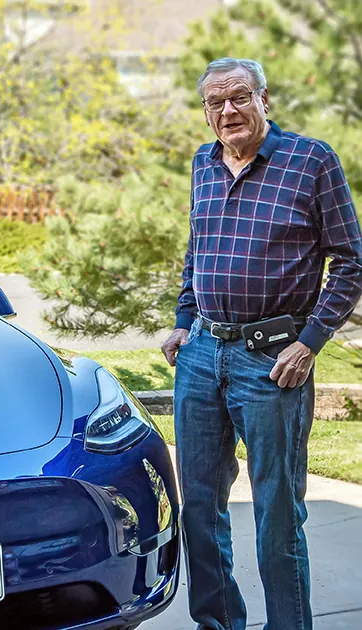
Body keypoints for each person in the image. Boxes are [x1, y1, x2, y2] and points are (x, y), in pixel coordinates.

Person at [160, 57, 362, 630]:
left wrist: (310, 343)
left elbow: (351, 263)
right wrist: (183, 319)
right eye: (216, 103)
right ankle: (218, 623)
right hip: (201, 356)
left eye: (240, 97)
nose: (229, 111)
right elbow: (197, 252)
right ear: (205, 113)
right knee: (199, 506)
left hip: (274, 362)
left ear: (264, 99)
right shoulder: (203, 162)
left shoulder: (312, 160)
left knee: (276, 513)